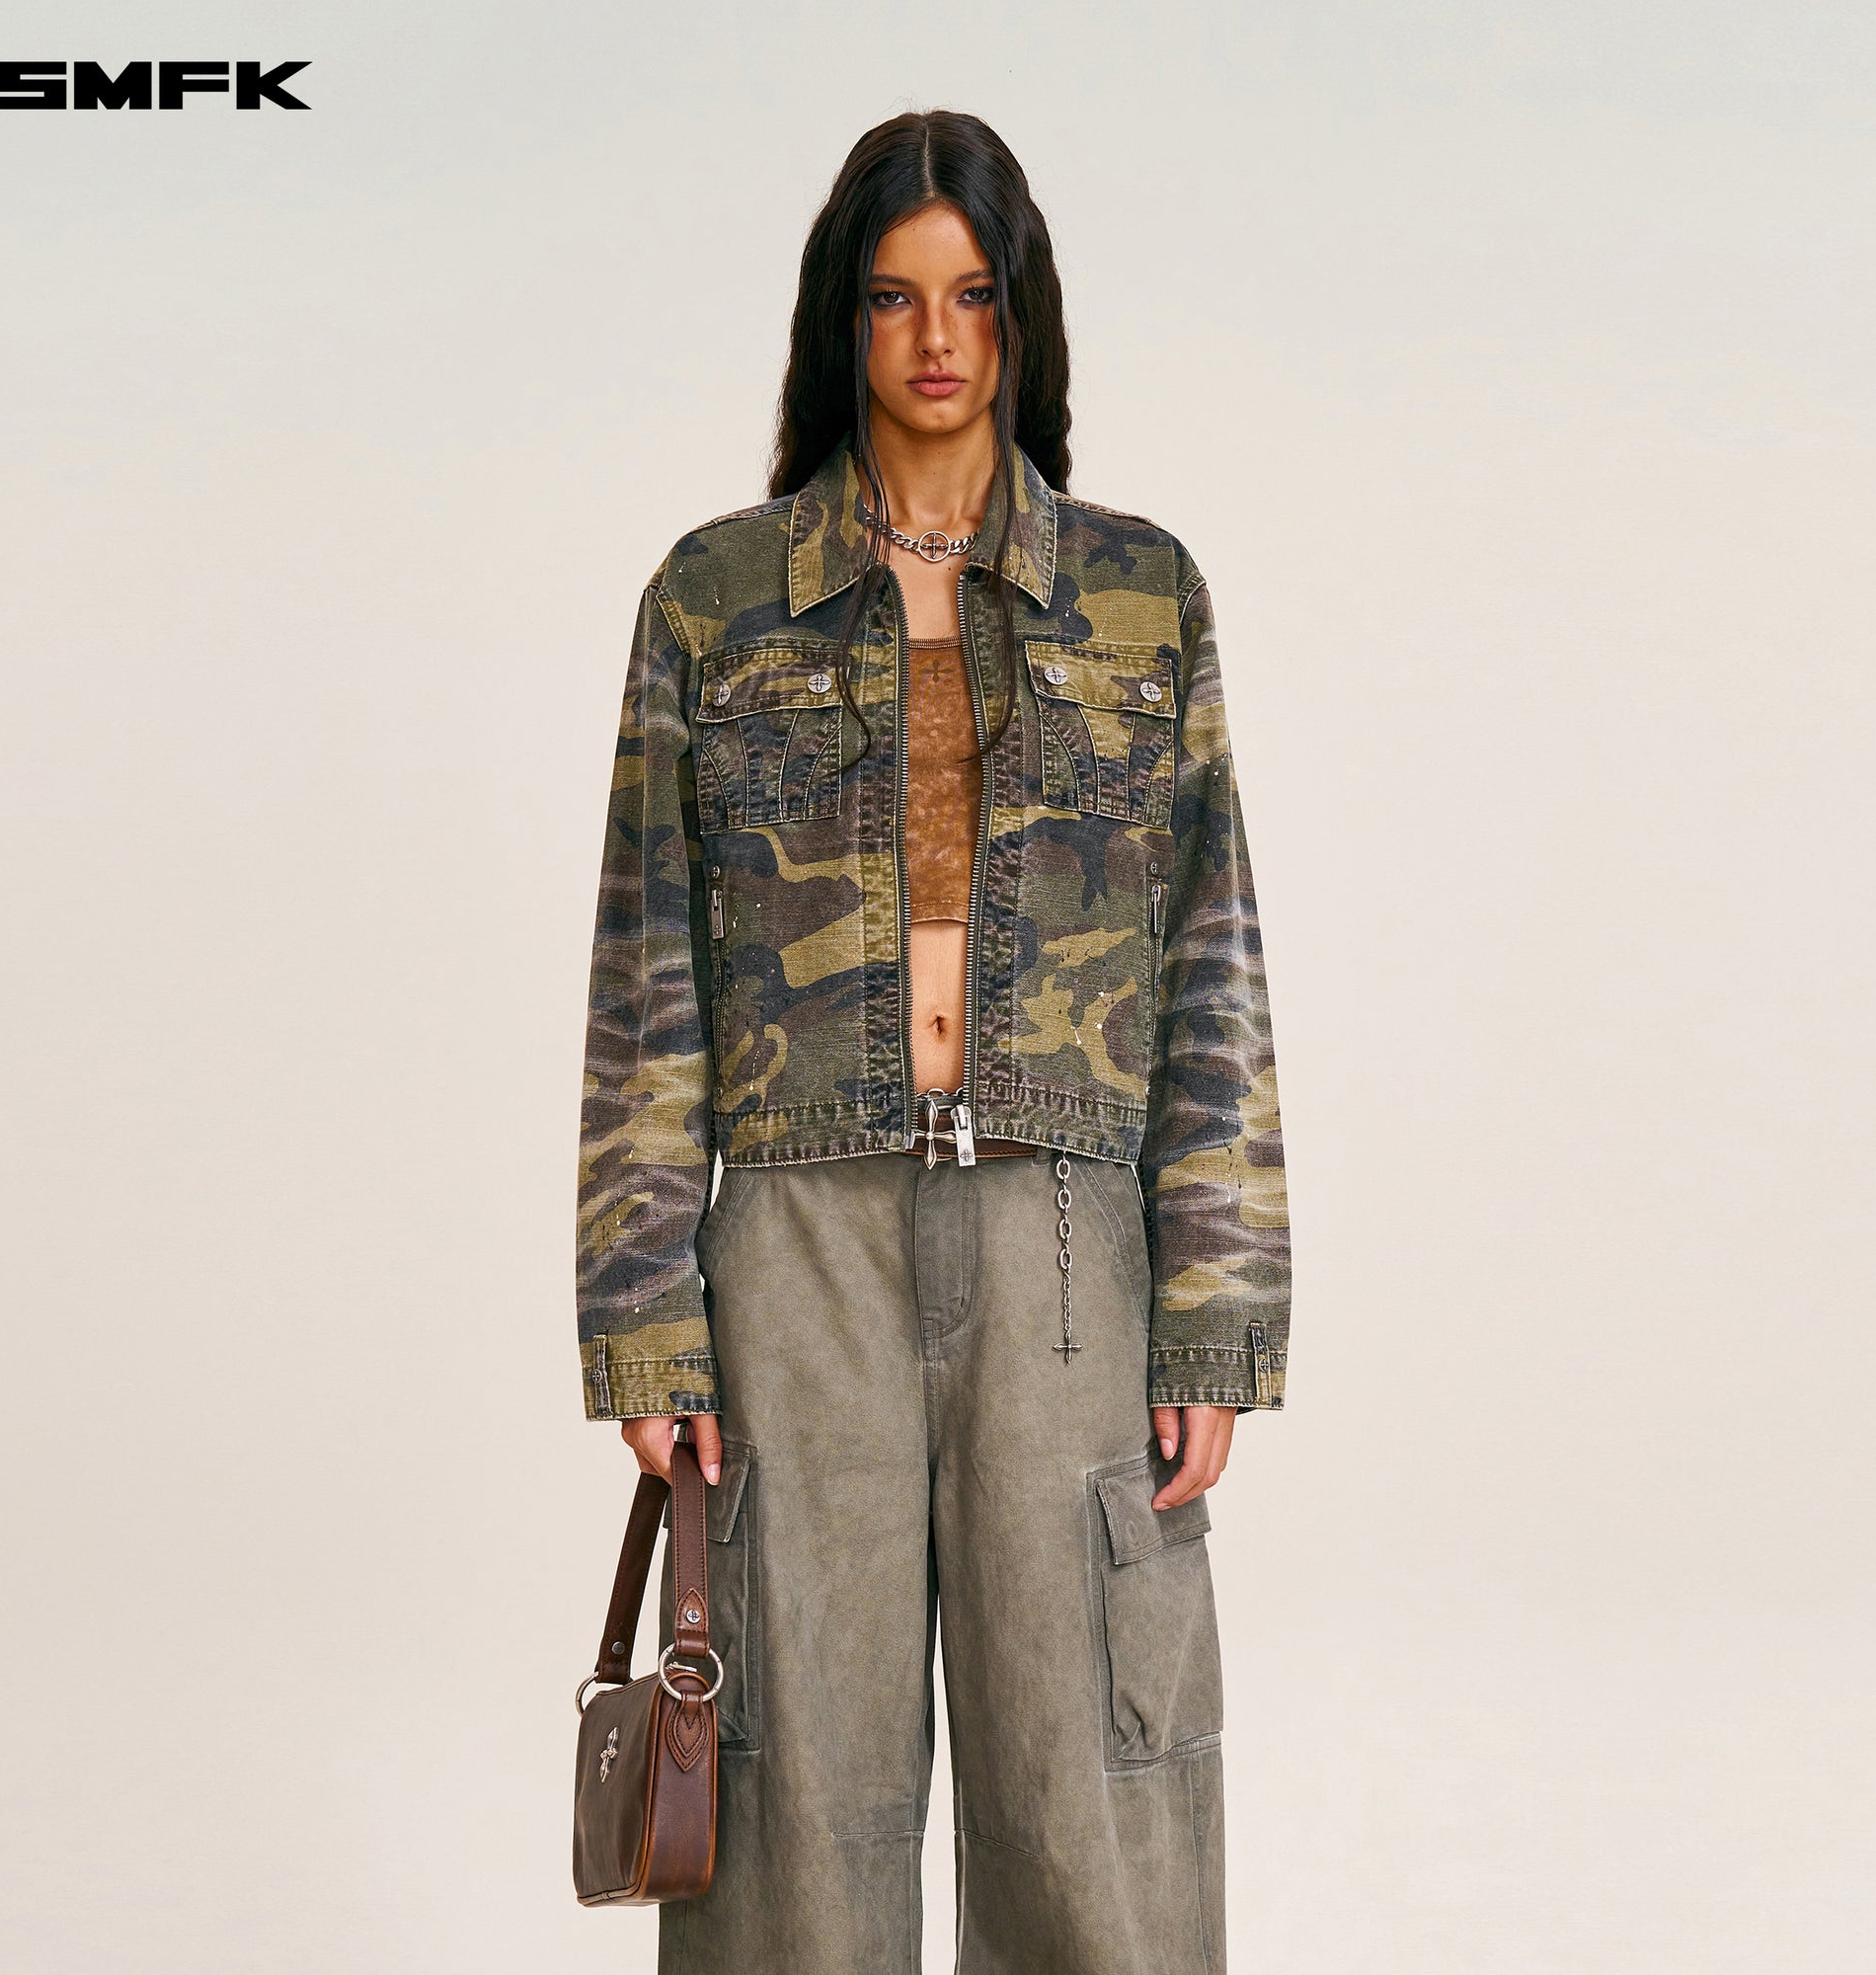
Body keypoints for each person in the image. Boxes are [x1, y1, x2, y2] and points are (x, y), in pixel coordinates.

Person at [577, 109, 1290, 1974]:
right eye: (895, 298)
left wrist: (1216, 1312)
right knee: (793, 1822)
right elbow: (647, 976)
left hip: (1066, 1246)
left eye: (972, 295)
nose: (937, 338)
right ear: (845, 319)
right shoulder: (715, 599)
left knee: (1090, 1803)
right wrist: (645, 1317)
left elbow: (1211, 961)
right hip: (798, 1250)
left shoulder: (1141, 595)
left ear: (1022, 315)